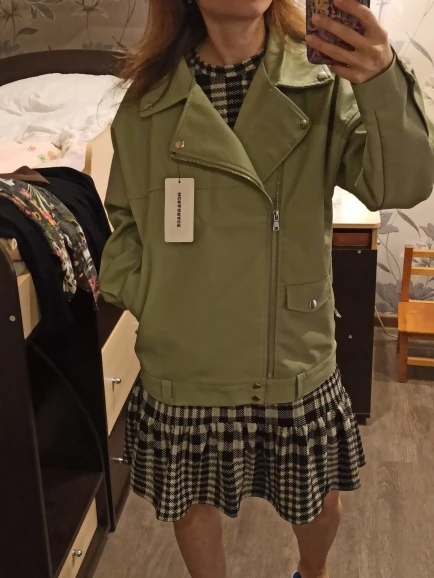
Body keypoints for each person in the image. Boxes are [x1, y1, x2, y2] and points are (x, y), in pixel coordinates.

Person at [99, 0, 434, 577]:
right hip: (186, 349)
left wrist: (381, 79)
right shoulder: (147, 102)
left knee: (318, 499)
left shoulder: (324, 84)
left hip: (290, 342)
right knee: (192, 501)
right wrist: (157, 297)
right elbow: (125, 221)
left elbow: (400, 184)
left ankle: (313, 572)